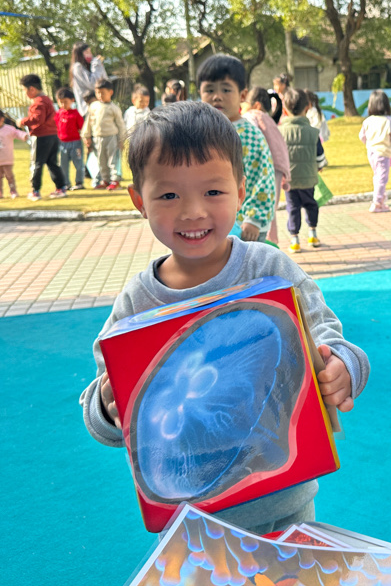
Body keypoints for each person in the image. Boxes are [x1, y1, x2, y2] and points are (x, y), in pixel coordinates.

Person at [78, 101, 369, 533]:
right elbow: (103, 406)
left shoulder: (269, 269)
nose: (193, 211)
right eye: (169, 195)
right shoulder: (137, 302)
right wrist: (108, 406)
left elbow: (330, 338)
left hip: (286, 503)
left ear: (240, 188)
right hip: (189, 521)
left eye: (213, 192)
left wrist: (343, 368)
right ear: (139, 200)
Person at [198, 54, 276, 242]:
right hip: (209, 223)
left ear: (242, 95)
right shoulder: (198, 134)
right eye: (209, 90)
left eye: (226, 90)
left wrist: (254, 219)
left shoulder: (249, 135)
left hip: (245, 228)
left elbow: (264, 178)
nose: (217, 96)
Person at [244, 86, 290, 244]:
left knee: (257, 205)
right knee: (270, 209)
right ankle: (272, 242)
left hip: (261, 168)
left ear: (256, 105)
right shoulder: (270, 120)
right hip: (276, 167)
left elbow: (250, 136)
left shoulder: (252, 116)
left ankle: (267, 241)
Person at [279, 89, 321, 253]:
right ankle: (313, 234)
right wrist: (320, 166)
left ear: (284, 108)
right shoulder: (313, 132)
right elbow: (320, 155)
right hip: (308, 178)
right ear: (308, 107)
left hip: (289, 180)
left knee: (293, 208)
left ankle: (294, 239)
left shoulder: (280, 132)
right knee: (311, 204)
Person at [19, 74, 68, 200]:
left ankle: (35, 191)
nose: (24, 93)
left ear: (32, 89)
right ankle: (61, 188)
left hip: (41, 137)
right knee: (52, 163)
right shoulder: (47, 99)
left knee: (36, 163)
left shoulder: (39, 102)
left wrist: (23, 121)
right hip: (53, 135)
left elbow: (38, 119)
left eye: (24, 90)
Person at [82, 78, 127, 191]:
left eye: (103, 93)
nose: (100, 95)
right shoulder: (93, 106)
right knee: (101, 161)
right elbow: (89, 122)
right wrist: (87, 136)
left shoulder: (114, 108)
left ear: (110, 92)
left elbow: (121, 125)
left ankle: (115, 180)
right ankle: (105, 180)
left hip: (111, 138)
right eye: (98, 93)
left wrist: (122, 139)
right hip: (97, 138)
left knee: (113, 160)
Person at [359, 90, 391, 213]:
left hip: (371, 152)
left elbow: (362, 136)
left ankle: (381, 201)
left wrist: (369, 143)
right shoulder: (387, 121)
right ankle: (377, 202)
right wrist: (390, 143)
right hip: (383, 152)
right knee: (382, 178)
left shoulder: (368, 121)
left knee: (377, 176)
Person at [55, 87, 86, 191]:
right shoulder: (58, 114)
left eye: (66, 102)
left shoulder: (75, 114)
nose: (63, 104)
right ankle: (66, 183)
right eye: (61, 102)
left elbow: (82, 128)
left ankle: (79, 182)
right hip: (62, 143)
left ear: (72, 100)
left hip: (75, 143)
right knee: (63, 165)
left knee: (78, 163)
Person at [70, 41, 106, 117]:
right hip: (87, 108)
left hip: (98, 107)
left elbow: (105, 82)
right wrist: (96, 65)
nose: (90, 54)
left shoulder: (89, 66)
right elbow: (94, 84)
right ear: (79, 54)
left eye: (90, 51)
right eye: (87, 52)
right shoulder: (77, 67)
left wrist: (100, 67)